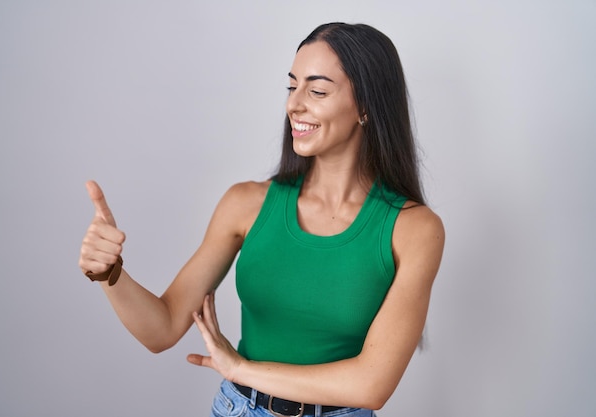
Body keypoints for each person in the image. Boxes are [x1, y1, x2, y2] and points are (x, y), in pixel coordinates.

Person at [79, 22, 445, 417]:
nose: (294, 104)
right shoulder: (246, 203)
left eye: (317, 90)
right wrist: (110, 274)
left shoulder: (414, 228)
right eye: (292, 87)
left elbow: (372, 385)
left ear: (366, 107)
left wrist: (241, 369)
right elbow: (163, 327)